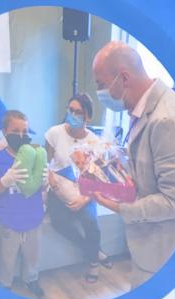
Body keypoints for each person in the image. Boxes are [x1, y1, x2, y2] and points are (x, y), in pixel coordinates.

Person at [90, 41, 175, 287]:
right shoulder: (141, 109)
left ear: (123, 77)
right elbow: (149, 165)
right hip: (147, 247)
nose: (99, 93)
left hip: (163, 254)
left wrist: (121, 207)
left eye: (100, 84)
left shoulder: (169, 119)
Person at [43, 92, 112, 284]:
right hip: (58, 188)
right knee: (59, 222)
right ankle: (94, 252)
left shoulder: (95, 142)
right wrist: (51, 180)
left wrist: (85, 199)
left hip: (85, 190)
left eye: (78, 112)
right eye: (70, 110)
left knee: (91, 222)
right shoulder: (54, 133)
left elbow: (98, 178)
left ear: (88, 116)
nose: (72, 115)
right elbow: (45, 164)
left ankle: (93, 264)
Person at [0, 110, 45, 297]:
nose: (21, 135)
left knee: (32, 254)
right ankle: (5, 283)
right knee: (7, 256)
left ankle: (31, 279)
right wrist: (5, 180)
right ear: (5, 132)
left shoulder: (35, 155)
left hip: (33, 215)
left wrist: (45, 181)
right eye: (15, 131)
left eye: (25, 131)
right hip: (9, 217)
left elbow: (41, 188)